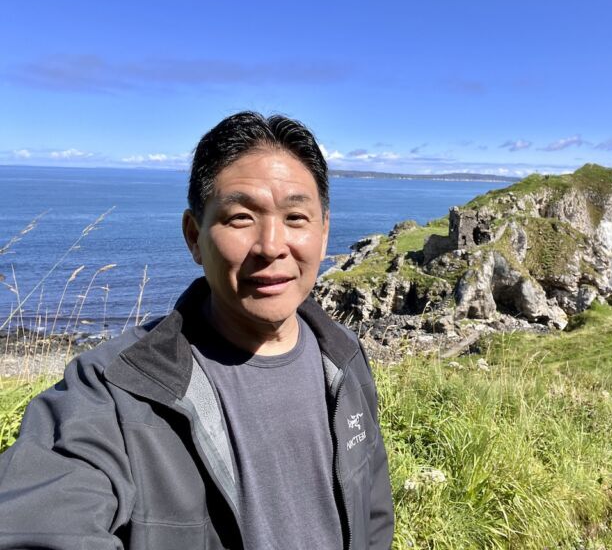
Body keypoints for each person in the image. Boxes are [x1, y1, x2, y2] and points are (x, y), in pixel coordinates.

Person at [0, 112, 395, 549]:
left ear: (323, 234)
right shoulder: (116, 390)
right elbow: (37, 520)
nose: (271, 245)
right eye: (241, 217)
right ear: (194, 236)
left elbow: (373, 512)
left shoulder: (344, 357)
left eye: (296, 217)